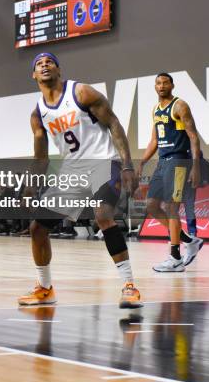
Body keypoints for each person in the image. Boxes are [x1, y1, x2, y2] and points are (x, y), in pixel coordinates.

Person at [18, 52, 142, 309]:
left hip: (103, 163)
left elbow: (114, 124)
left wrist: (128, 164)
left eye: (49, 62)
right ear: (33, 75)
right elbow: (40, 157)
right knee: (37, 229)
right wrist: (30, 187)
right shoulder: (38, 113)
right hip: (72, 171)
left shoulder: (81, 93)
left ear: (58, 69)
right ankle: (45, 288)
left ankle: (129, 286)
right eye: (39, 64)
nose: (44, 65)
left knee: (103, 215)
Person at [138, 73, 203, 271]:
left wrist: (196, 166)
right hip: (163, 162)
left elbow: (193, 136)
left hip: (179, 161)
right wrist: (142, 162)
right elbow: (155, 141)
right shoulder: (156, 109)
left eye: (165, 82)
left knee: (171, 208)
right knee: (151, 205)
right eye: (158, 83)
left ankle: (175, 258)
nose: (162, 85)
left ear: (172, 85)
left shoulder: (179, 105)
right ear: (155, 87)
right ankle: (188, 240)